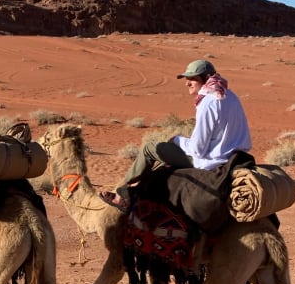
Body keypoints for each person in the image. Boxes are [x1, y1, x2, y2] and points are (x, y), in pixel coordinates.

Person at [105, 58, 251, 207]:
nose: (187, 83)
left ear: (206, 78)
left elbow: (198, 150)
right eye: (187, 79)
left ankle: (122, 194)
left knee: (150, 149)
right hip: (235, 158)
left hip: (212, 162)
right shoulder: (230, 96)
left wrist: (177, 140)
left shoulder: (208, 102)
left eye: (192, 79)